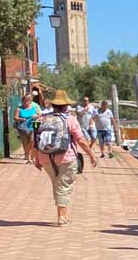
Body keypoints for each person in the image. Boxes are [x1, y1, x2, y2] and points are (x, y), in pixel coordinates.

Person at [32, 89, 98, 226]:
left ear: (53, 105)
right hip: (66, 158)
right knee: (63, 186)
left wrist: (36, 159)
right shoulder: (70, 119)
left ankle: (64, 214)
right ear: (66, 106)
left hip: (45, 157)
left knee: (57, 185)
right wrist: (91, 155)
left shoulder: (40, 118)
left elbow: (35, 140)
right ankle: (61, 217)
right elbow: (80, 140)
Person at [13, 95, 41, 160]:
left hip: (33, 126)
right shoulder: (19, 109)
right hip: (23, 128)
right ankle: (27, 154)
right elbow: (15, 117)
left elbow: (39, 115)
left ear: (30, 102)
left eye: (27, 102)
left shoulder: (33, 108)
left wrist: (36, 116)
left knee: (32, 141)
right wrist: (21, 119)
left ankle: (30, 153)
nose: (25, 103)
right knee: (25, 142)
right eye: (24, 102)